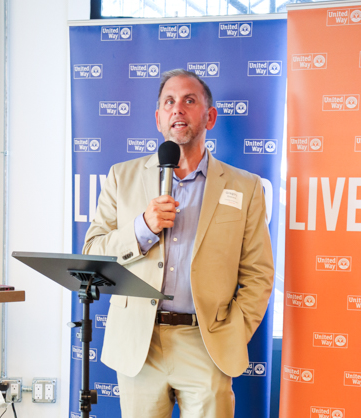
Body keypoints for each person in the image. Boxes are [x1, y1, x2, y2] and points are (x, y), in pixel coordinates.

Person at [83, 69, 274, 417]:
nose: (178, 109)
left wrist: (232, 331)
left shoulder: (246, 187)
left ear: (210, 116)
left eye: (189, 100)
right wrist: (142, 227)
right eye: (169, 102)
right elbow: (92, 254)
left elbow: (258, 274)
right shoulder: (120, 177)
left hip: (206, 343)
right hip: (140, 344)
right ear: (158, 118)